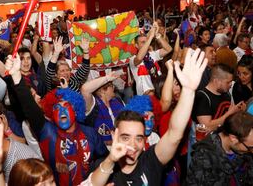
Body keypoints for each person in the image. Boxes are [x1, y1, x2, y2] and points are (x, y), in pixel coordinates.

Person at [81, 48, 207, 186]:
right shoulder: (102, 169)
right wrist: (110, 160)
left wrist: (188, 91)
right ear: (114, 135)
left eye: (139, 138)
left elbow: (175, 134)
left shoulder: (150, 161)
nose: (133, 145)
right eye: (125, 137)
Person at [5, 54, 108, 185]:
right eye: (57, 108)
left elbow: (104, 160)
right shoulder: (48, 133)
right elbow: (30, 107)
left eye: (66, 106)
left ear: (75, 110)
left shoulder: (89, 133)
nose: (61, 111)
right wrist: (16, 77)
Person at [187, 111, 253, 185]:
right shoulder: (204, 156)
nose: (251, 151)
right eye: (250, 148)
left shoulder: (243, 149)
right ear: (233, 139)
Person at [193, 64, 245, 135]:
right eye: (228, 82)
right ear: (216, 81)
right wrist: (229, 113)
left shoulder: (226, 94)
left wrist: (239, 112)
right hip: (207, 143)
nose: (231, 84)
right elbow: (206, 126)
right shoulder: (202, 97)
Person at [80, 71, 125, 145]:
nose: (114, 87)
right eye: (111, 86)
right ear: (102, 91)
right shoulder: (92, 105)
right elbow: (85, 89)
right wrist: (107, 78)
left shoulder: (118, 101)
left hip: (122, 144)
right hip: (102, 150)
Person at [129, 22, 172, 95]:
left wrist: (157, 35)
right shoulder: (132, 59)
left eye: (146, 42)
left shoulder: (152, 55)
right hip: (145, 96)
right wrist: (150, 38)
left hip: (159, 91)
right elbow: (139, 58)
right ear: (136, 45)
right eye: (143, 42)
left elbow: (168, 49)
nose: (146, 44)